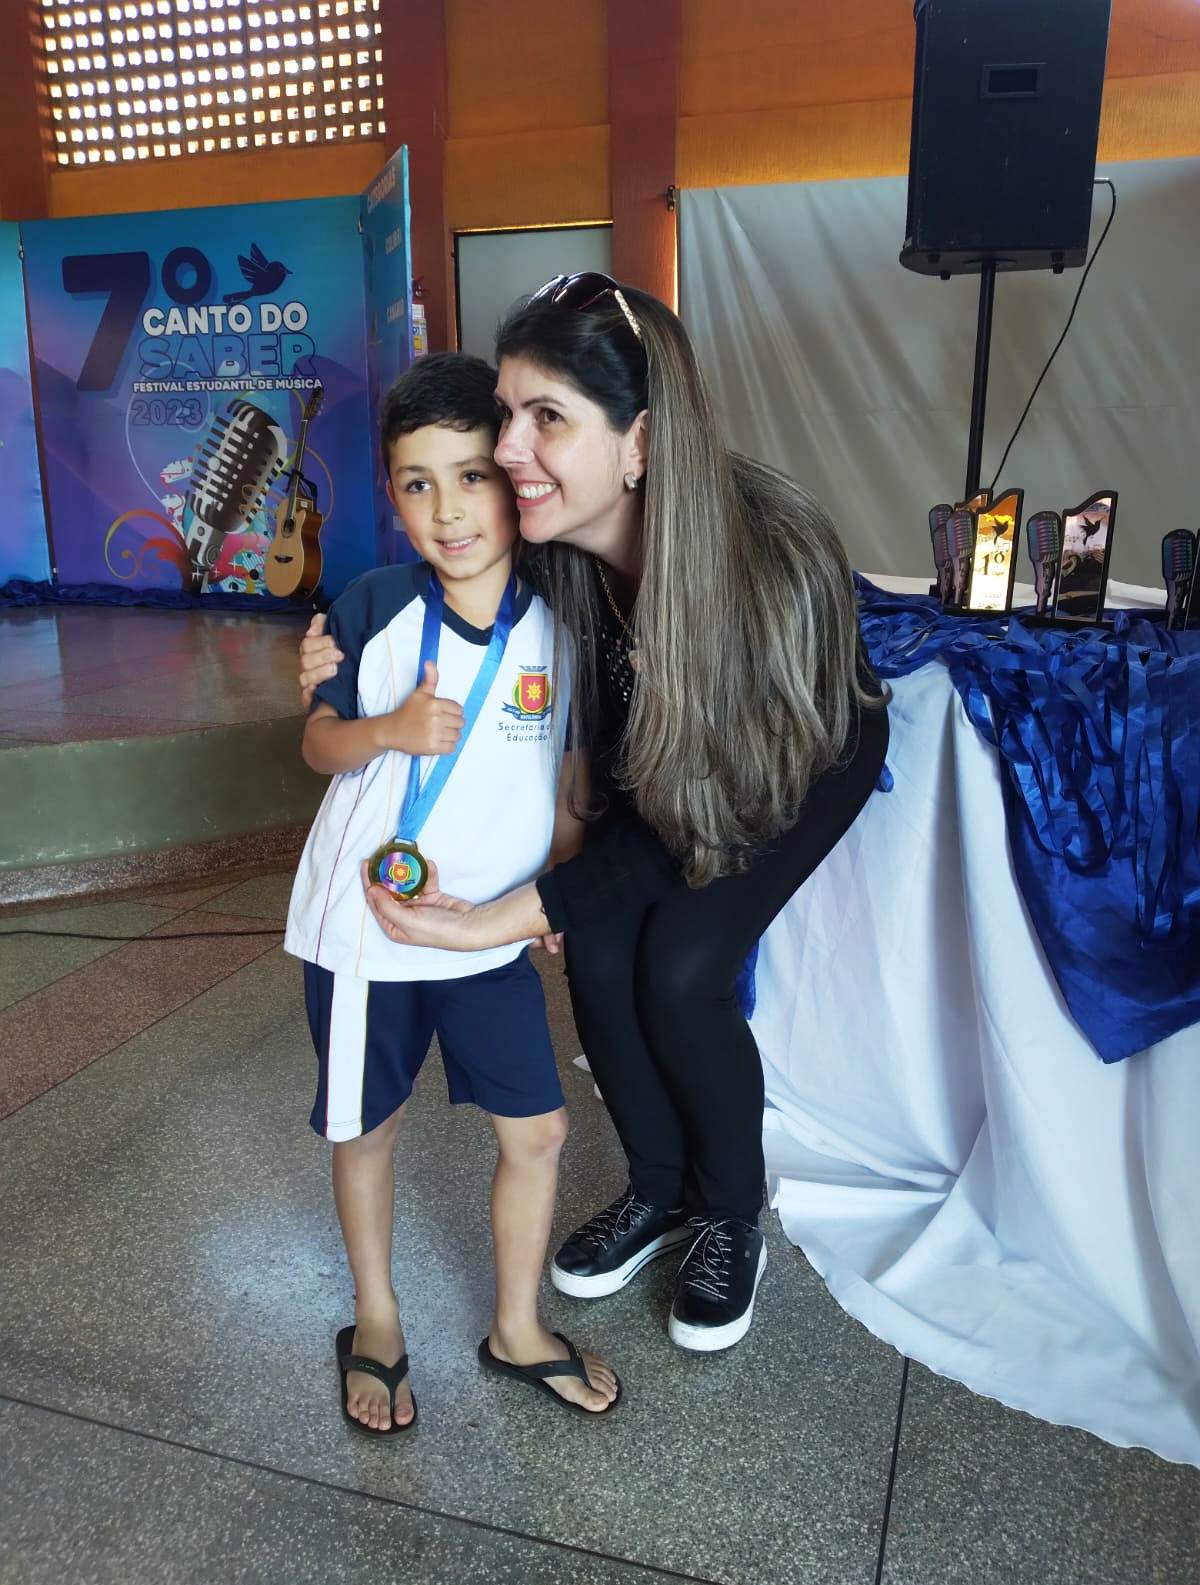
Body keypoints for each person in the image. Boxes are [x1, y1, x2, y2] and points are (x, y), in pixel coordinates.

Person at [300, 275, 889, 1354]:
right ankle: (656, 1186)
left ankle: (728, 1214)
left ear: (641, 442)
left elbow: (708, 814)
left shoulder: (764, 560)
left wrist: (501, 917)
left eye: (547, 418)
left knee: (682, 968)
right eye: (506, 414)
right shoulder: (556, 544)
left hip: (786, 766)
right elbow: (441, 574)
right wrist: (336, 649)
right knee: (602, 955)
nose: (508, 450)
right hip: (665, 777)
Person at [284, 352, 620, 1436]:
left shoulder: (564, 615)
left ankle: (515, 1327)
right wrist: (386, 730)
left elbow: (569, 780)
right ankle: (377, 1317)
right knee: (366, 1129)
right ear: (391, 494)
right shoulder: (375, 604)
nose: (449, 510)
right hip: (368, 933)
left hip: (485, 936)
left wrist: (554, 892)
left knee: (540, 1130)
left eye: (471, 476)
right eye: (418, 484)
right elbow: (319, 743)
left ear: (512, 479)